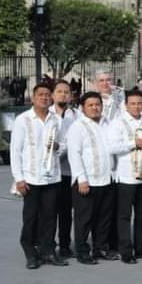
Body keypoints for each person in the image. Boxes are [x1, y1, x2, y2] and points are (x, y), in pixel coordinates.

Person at [10, 83, 68, 269]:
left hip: (52, 177)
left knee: (51, 216)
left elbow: (63, 145)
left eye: (47, 95)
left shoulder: (55, 119)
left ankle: (49, 250)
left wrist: (58, 148)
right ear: (33, 98)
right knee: (31, 217)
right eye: (40, 95)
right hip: (31, 178)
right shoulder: (23, 120)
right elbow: (15, 151)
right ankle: (30, 251)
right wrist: (19, 178)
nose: (44, 97)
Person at [106, 90, 142, 264]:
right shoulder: (117, 123)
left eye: (140, 103)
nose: (137, 106)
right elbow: (111, 147)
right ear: (126, 105)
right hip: (127, 176)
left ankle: (141, 247)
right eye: (133, 103)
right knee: (125, 216)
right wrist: (133, 143)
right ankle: (126, 250)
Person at [66, 91, 116, 264]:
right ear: (83, 107)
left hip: (106, 178)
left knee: (103, 217)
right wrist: (81, 179)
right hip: (86, 181)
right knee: (84, 219)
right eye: (91, 105)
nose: (95, 108)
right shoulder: (77, 127)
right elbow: (74, 154)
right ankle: (82, 251)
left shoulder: (107, 123)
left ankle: (101, 248)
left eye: (97, 104)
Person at [50, 79, 79, 259]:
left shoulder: (76, 116)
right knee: (49, 211)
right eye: (59, 91)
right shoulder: (48, 114)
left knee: (66, 212)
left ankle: (65, 244)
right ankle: (48, 244)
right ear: (53, 95)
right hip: (50, 171)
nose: (63, 95)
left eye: (66, 92)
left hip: (68, 171)